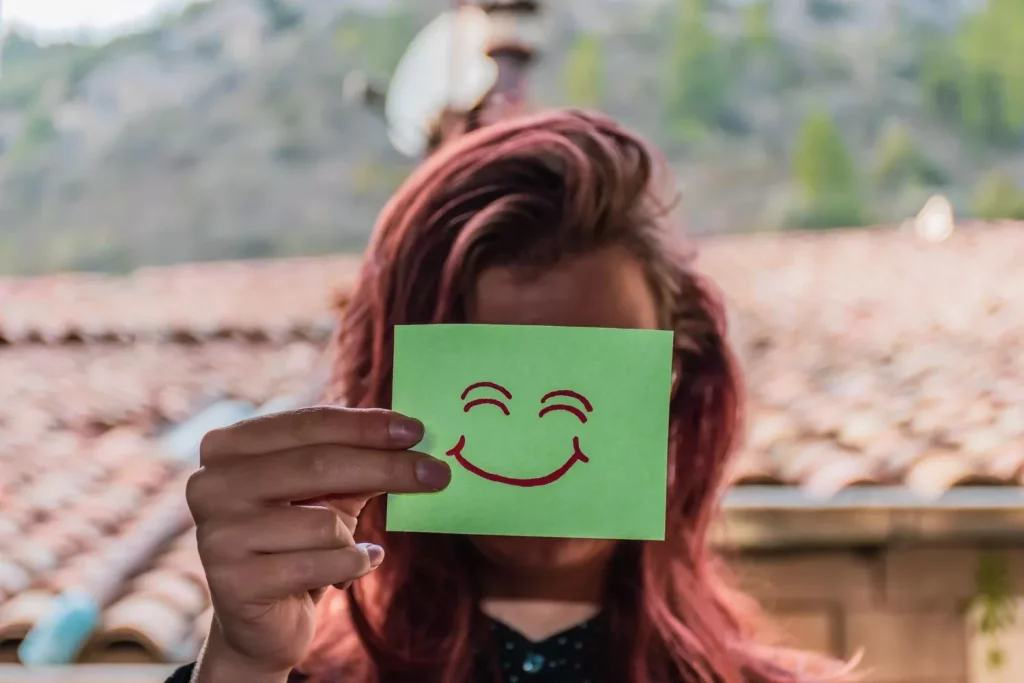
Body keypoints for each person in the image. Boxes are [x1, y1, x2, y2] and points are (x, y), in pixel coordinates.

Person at [167, 111, 852, 683]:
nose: (532, 436)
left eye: (591, 385)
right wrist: (240, 669)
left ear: (678, 384)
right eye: (484, 397)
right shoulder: (279, 670)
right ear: (393, 395)